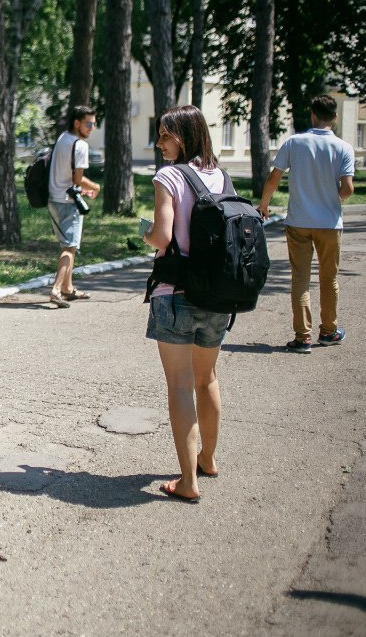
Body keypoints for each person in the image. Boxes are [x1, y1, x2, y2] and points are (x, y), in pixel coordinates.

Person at [142, 105, 231, 503]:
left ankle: (188, 481)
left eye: (165, 135)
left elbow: (163, 238)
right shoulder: (221, 175)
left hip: (175, 293)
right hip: (217, 294)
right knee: (207, 379)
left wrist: (145, 233)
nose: (159, 143)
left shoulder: (169, 176)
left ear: (184, 136)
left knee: (179, 385)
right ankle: (207, 460)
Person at [257, 94, 355, 353]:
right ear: (334, 117)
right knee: (329, 278)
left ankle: (302, 338)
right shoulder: (344, 148)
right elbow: (348, 188)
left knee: (300, 279)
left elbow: (273, 178)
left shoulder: (294, 142)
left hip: (298, 222)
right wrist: (331, 199)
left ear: (312, 114)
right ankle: (329, 331)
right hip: (329, 223)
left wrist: (264, 204)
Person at [47, 105, 101, 308]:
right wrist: (94, 186)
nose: (91, 128)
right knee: (69, 248)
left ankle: (68, 289)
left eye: (94, 124)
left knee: (68, 245)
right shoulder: (80, 145)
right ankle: (56, 289)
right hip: (68, 202)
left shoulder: (62, 139)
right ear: (77, 123)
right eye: (88, 124)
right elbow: (77, 178)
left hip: (54, 199)